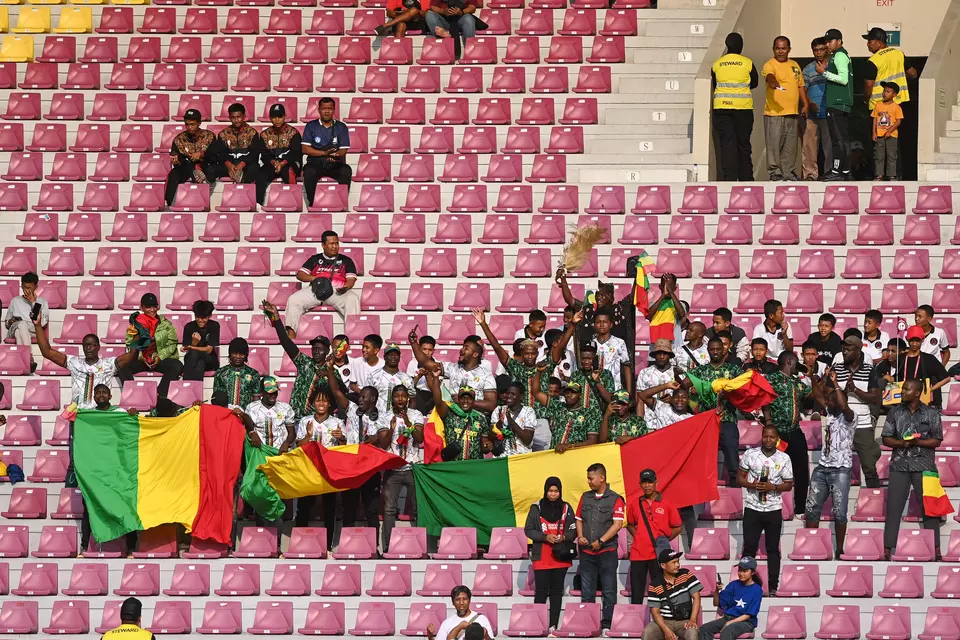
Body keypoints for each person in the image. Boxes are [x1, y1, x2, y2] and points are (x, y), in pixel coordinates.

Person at [882, 378, 944, 560]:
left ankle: (935, 547)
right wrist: (903, 443)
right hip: (899, 465)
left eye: (907, 388)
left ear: (917, 392)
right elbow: (886, 438)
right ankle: (888, 547)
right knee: (893, 507)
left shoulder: (931, 413)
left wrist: (918, 442)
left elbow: (937, 440)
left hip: (924, 465)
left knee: (930, 508)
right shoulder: (894, 412)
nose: (903, 390)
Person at [326, 362, 386, 544]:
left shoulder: (382, 417)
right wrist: (330, 371)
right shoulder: (352, 411)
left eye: (364, 397)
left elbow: (385, 439)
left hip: (370, 469)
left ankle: (374, 547)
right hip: (351, 467)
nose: (360, 399)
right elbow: (337, 392)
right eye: (360, 396)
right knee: (348, 509)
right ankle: (346, 545)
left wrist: (376, 437)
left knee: (371, 511)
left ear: (373, 399)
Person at [805, 370, 856, 558]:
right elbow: (818, 395)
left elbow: (842, 404)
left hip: (841, 470)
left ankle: (840, 548)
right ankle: (811, 547)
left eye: (832, 400)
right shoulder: (830, 413)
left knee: (840, 512)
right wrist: (812, 377)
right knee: (811, 509)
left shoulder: (850, 416)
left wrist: (835, 385)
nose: (828, 402)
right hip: (822, 469)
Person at [738, 425, 793, 595]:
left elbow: (789, 484)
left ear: (777, 439)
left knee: (772, 549)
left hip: (773, 509)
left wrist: (772, 486)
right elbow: (740, 478)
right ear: (762, 436)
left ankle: (773, 586)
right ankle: (748, 586)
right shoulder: (750, 454)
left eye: (772, 437)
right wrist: (751, 485)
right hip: (752, 508)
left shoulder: (784, 458)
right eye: (766, 436)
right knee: (749, 547)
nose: (768, 440)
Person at [263, 300, 338, 420]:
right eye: (314, 348)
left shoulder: (332, 372)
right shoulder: (304, 362)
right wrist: (277, 320)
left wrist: (328, 374)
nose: (316, 351)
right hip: (295, 417)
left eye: (320, 349)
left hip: (316, 420)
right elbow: (286, 342)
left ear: (327, 351)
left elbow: (337, 395)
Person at [685, 337, 742, 485]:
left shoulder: (734, 370)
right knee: (704, 460)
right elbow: (682, 387)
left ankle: (735, 492)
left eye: (718, 349)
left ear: (724, 350)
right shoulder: (700, 370)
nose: (715, 352)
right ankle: (702, 491)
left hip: (727, 420)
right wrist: (692, 403)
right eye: (712, 349)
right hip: (706, 421)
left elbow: (743, 390)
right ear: (708, 350)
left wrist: (729, 393)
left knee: (732, 460)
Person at [575, 463, 625, 630]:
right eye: (588, 478)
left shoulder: (616, 499)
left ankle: (607, 624)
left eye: (591, 478)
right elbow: (579, 519)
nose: (588, 481)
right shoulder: (585, 497)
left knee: (609, 590)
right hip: (586, 553)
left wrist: (601, 541)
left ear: (602, 478)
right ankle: (588, 623)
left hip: (607, 552)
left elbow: (617, 525)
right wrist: (580, 536)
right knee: (587, 590)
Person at [524, 476, 577, 631]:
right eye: (550, 491)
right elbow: (528, 530)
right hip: (541, 556)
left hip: (560, 557)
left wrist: (564, 537)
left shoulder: (567, 508)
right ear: (545, 491)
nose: (553, 494)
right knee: (540, 591)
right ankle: (537, 625)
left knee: (556, 591)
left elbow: (573, 530)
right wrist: (545, 537)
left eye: (556, 491)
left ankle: (553, 625)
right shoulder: (536, 508)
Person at [761, 350, 811, 510]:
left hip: (795, 431)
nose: (798, 365)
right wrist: (768, 421)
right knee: (772, 469)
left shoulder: (797, 382)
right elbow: (764, 399)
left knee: (802, 469)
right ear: (789, 361)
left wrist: (814, 378)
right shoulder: (772, 379)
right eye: (796, 362)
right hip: (777, 432)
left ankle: (800, 507)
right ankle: (770, 504)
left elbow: (812, 396)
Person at [294, 387, 346, 537]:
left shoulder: (337, 422)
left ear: (329, 403)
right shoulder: (305, 421)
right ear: (313, 403)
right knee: (304, 506)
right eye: (318, 400)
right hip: (309, 469)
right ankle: (300, 542)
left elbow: (343, 449)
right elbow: (299, 446)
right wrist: (308, 435)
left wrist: (341, 438)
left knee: (329, 507)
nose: (321, 403)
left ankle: (328, 544)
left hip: (329, 470)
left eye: (324, 400)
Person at [832, 336, 883, 487]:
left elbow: (875, 398)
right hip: (840, 424)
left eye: (848, 349)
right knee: (836, 467)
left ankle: (874, 500)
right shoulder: (836, 368)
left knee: (869, 466)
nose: (844, 352)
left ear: (858, 351)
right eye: (843, 349)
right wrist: (842, 392)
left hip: (863, 424)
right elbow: (829, 395)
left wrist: (854, 390)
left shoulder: (869, 370)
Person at [626, 468, 682, 605]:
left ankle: (662, 621)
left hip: (658, 554)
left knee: (661, 591)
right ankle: (636, 621)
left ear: (656, 483)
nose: (647, 486)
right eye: (644, 483)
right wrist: (638, 535)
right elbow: (630, 524)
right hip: (638, 553)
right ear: (640, 484)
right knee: (637, 592)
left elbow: (678, 527)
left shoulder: (667, 504)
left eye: (650, 482)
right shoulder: (635, 503)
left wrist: (664, 539)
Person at [285, 231, 360, 332]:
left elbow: (351, 280)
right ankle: (291, 335)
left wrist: (346, 287)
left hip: (336, 291)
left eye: (336, 243)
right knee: (293, 299)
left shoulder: (346, 260)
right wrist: (316, 279)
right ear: (323, 245)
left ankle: (352, 334)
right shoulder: (315, 259)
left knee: (352, 299)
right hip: (315, 290)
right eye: (331, 243)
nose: (334, 246)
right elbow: (300, 275)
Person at [379, 385, 424, 553]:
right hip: (393, 469)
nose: (400, 399)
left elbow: (420, 439)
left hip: (412, 468)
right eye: (397, 396)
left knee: (418, 508)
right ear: (392, 398)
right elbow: (383, 444)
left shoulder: (416, 414)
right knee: (389, 509)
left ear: (407, 398)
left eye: (403, 396)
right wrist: (391, 429)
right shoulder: (385, 416)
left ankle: (420, 547)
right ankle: (389, 547)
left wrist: (408, 424)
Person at [556, 268, 640, 357]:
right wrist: (563, 279)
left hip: (615, 362)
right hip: (591, 361)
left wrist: (638, 277)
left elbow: (632, 297)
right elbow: (570, 300)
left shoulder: (619, 310)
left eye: (603, 295)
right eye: (597, 295)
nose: (599, 297)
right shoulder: (589, 311)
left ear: (611, 297)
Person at [411, 329, 497, 412]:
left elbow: (491, 405)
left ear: (475, 354)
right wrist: (414, 343)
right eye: (462, 347)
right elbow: (425, 362)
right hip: (453, 416)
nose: (461, 350)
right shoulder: (452, 368)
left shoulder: (486, 375)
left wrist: (466, 402)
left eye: (466, 348)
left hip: (475, 418)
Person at [761, 36, 810, 181]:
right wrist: (773, 81)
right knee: (774, 145)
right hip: (774, 113)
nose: (780, 51)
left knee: (790, 146)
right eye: (777, 48)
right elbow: (769, 76)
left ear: (789, 49)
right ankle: (774, 172)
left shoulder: (795, 65)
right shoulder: (769, 64)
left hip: (792, 112)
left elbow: (800, 85)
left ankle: (788, 172)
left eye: (783, 48)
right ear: (773, 49)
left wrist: (805, 104)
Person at [711, 32, 759, 181]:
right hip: (743, 109)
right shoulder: (747, 63)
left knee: (727, 144)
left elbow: (715, 84)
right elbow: (755, 83)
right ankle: (746, 179)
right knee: (743, 144)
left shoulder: (717, 64)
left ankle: (729, 179)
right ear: (741, 46)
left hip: (721, 109)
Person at [118, 293, 182, 398]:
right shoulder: (135, 325)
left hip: (160, 358)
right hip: (141, 359)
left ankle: (159, 395)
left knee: (177, 365)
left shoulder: (166, 324)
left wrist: (159, 357)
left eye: (154, 306)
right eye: (148, 307)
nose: (152, 310)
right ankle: (133, 394)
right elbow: (130, 344)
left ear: (158, 307)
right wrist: (141, 357)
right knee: (123, 367)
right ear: (141, 307)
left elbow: (172, 344)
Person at [425, 368, 488, 460]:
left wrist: (487, 446)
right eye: (462, 398)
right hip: (453, 465)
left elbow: (484, 445)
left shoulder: (481, 418)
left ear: (474, 401)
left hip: (474, 466)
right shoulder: (450, 413)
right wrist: (435, 378)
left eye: (469, 398)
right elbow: (438, 401)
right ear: (458, 399)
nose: (465, 401)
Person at [532, 370, 600, 452]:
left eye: (573, 392)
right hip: (554, 453)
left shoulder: (589, 414)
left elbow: (593, 440)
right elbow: (536, 392)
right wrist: (539, 372)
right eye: (567, 392)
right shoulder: (558, 407)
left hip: (575, 454)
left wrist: (570, 446)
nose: (569, 395)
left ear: (580, 396)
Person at [302, 97, 352, 206]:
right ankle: (313, 204)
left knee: (346, 170)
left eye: (330, 108)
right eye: (324, 108)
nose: (327, 111)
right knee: (309, 172)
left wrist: (335, 155)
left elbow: (343, 150)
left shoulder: (341, 127)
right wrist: (324, 154)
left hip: (335, 163)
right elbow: (305, 149)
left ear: (334, 110)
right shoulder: (311, 126)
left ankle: (341, 203)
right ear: (319, 110)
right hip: (315, 163)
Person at [643, 549, 703, 640]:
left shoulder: (686, 574)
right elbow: (655, 612)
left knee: (692, 633)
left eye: (678, 561)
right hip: (664, 622)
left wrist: (693, 619)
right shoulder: (655, 585)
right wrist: (666, 630)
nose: (677, 565)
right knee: (648, 632)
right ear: (663, 565)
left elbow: (697, 597)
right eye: (674, 562)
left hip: (684, 621)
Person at [164, 109, 219, 206]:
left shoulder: (209, 136)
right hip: (187, 165)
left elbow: (214, 156)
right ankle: (168, 203)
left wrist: (201, 154)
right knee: (174, 173)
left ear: (199, 123)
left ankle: (203, 202)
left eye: (192, 124)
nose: (189, 127)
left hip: (205, 164)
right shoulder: (179, 139)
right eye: (187, 124)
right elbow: (177, 159)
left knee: (211, 170)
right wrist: (176, 162)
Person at [699, 558, 763, 640]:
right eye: (740, 570)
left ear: (753, 572)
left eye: (745, 571)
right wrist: (716, 592)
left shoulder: (757, 590)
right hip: (727, 618)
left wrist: (730, 623)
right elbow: (716, 603)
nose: (741, 573)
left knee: (728, 630)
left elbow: (749, 615)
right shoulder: (733, 584)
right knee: (704, 629)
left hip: (745, 622)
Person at [820, 29, 854, 181]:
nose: (827, 44)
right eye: (826, 41)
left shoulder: (839, 55)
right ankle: (846, 171)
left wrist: (823, 72)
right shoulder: (839, 55)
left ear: (839, 41)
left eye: (830, 41)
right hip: (842, 103)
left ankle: (836, 171)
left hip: (837, 103)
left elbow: (843, 79)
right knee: (843, 139)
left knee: (837, 139)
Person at [256, 103, 302, 205]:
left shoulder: (293, 133)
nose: (277, 120)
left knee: (289, 172)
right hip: (272, 164)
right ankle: (258, 204)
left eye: (280, 116)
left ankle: (294, 204)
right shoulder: (264, 134)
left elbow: (295, 153)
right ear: (270, 118)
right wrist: (273, 162)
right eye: (274, 117)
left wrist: (282, 163)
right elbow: (264, 154)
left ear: (284, 116)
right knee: (260, 175)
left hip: (289, 163)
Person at [800, 37, 832, 181]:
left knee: (830, 146)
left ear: (826, 48)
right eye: (815, 50)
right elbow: (802, 90)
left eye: (821, 49)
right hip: (812, 114)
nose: (818, 53)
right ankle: (810, 174)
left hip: (829, 113)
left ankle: (830, 172)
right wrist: (809, 103)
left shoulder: (833, 65)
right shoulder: (808, 69)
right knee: (809, 147)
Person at [863, 26, 917, 110]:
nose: (867, 44)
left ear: (879, 43)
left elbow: (869, 85)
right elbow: (913, 73)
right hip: (899, 103)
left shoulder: (873, 60)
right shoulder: (899, 54)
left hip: (879, 106)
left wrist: (866, 100)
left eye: (870, 41)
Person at [238, 376, 296, 452]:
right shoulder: (252, 408)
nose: (273, 395)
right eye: (269, 393)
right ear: (262, 392)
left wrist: (286, 443)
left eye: (275, 392)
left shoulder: (285, 408)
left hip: (280, 450)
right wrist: (252, 433)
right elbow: (248, 427)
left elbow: (292, 432)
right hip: (260, 450)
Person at [4, 271, 47, 372]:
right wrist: (10, 321)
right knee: (21, 325)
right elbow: (6, 323)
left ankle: (24, 360)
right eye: (24, 287)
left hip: (34, 331)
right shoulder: (15, 301)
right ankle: (29, 358)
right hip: (15, 328)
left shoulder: (42, 302)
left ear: (36, 287)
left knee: (21, 330)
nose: (26, 290)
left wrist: (33, 303)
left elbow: (42, 323)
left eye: (29, 288)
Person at [213, 103, 262, 186]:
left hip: (245, 165)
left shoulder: (252, 133)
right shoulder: (223, 134)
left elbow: (254, 154)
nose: (236, 120)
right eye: (233, 117)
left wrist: (242, 164)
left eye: (238, 117)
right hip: (229, 165)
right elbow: (221, 154)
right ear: (229, 118)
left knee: (255, 167)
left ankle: (243, 184)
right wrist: (228, 165)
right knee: (210, 169)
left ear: (244, 116)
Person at [427, 586, 495, 640]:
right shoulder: (447, 623)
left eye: (464, 599)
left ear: (469, 600)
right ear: (453, 602)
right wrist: (430, 636)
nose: (461, 603)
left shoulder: (482, 619)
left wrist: (486, 636)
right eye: (457, 599)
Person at [212, 338, 261, 409]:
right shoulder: (220, 373)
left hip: (246, 416)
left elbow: (256, 401)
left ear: (246, 355)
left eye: (241, 354)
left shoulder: (253, 374)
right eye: (234, 353)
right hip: (225, 415)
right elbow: (216, 398)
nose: (238, 357)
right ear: (230, 354)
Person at [593, 308, 633, 394]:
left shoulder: (619, 343)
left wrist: (629, 393)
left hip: (615, 388)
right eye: (598, 322)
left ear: (611, 324)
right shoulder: (592, 343)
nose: (601, 325)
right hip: (595, 388)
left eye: (605, 322)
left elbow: (626, 367)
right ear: (594, 325)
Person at [491, 381, 537, 455]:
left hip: (521, 456)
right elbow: (491, 437)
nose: (509, 396)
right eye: (508, 393)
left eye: (513, 394)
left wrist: (511, 421)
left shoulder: (528, 412)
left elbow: (527, 440)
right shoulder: (498, 410)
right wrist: (500, 422)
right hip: (502, 456)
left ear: (521, 396)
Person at [180, 300, 220, 381]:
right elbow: (187, 349)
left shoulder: (214, 326)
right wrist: (194, 343)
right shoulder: (189, 326)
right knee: (200, 363)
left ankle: (186, 384)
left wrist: (192, 346)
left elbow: (208, 350)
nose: (200, 320)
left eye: (203, 318)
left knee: (194, 355)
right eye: (198, 317)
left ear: (210, 316)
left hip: (209, 359)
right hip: (195, 359)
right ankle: (195, 388)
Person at [368, 343, 414, 413]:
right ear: (384, 357)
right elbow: (368, 399)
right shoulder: (374, 376)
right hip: (379, 418)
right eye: (390, 354)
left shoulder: (407, 378)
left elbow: (412, 400)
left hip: (400, 419)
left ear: (399, 357)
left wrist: (409, 416)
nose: (393, 356)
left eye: (396, 354)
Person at [872, 82, 903, 180]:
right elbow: (875, 118)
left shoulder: (896, 107)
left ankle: (891, 175)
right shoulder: (878, 105)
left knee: (891, 155)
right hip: (880, 135)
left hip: (892, 135)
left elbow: (898, 121)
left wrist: (890, 131)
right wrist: (874, 132)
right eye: (884, 91)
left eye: (888, 92)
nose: (884, 93)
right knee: (879, 155)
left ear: (894, 95)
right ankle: (879, 175)